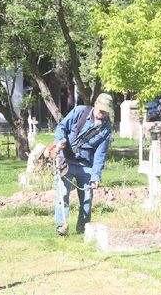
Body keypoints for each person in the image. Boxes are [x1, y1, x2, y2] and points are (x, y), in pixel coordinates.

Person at [53, 93, 113, 236]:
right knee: (63, 195)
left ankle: (83, 230)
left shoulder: (106, 129)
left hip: (86, 166)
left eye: (105, 112)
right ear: (95, 104)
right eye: (100, 110)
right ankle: (62, 226)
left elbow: (100, 154)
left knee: (86, 199)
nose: (102, 113)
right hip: (66, 160)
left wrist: (95, 176)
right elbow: (62, 127)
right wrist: (60, 140)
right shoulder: (80, 111)